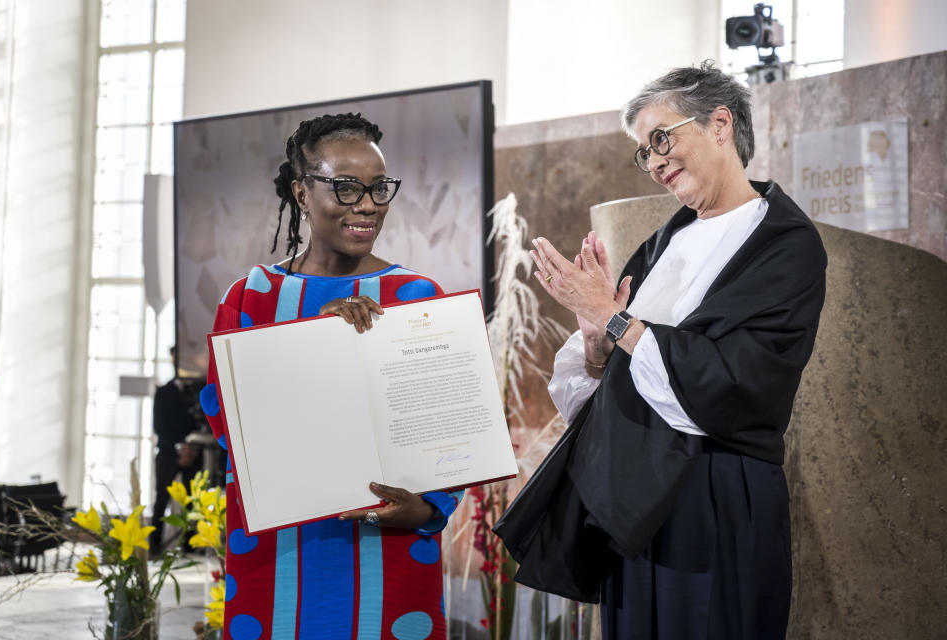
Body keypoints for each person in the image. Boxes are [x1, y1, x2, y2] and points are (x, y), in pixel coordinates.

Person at [496, 62, 827, 639]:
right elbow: (615, 382)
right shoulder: (664, 242)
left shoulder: (784, 245)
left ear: (720, 124)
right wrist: (597, 342)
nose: (652, 161)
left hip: (715, 499)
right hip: (636, 501)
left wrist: (614, 318)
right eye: (642, 151)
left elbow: (740, 383)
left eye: (660, 138)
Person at [198, 113, 461, 640]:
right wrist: (311, 343)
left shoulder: (418, 299)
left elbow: (447, 431)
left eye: (378, 188)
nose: (367, 205)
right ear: (301, 192)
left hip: (391, 559)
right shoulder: (249, 299)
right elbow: (230, 426)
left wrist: (429, 508)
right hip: (276, 555)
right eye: (345, 188)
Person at [150, 349, 204, 553]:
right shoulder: (163, 392)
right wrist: (178, 448)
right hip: (168, 453)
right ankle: (155, 545)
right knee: (161, 499)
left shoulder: (197, 391)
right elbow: (159, 426)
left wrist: (190, 448)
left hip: (193, 453)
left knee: (192, 500)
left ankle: (189, 544)